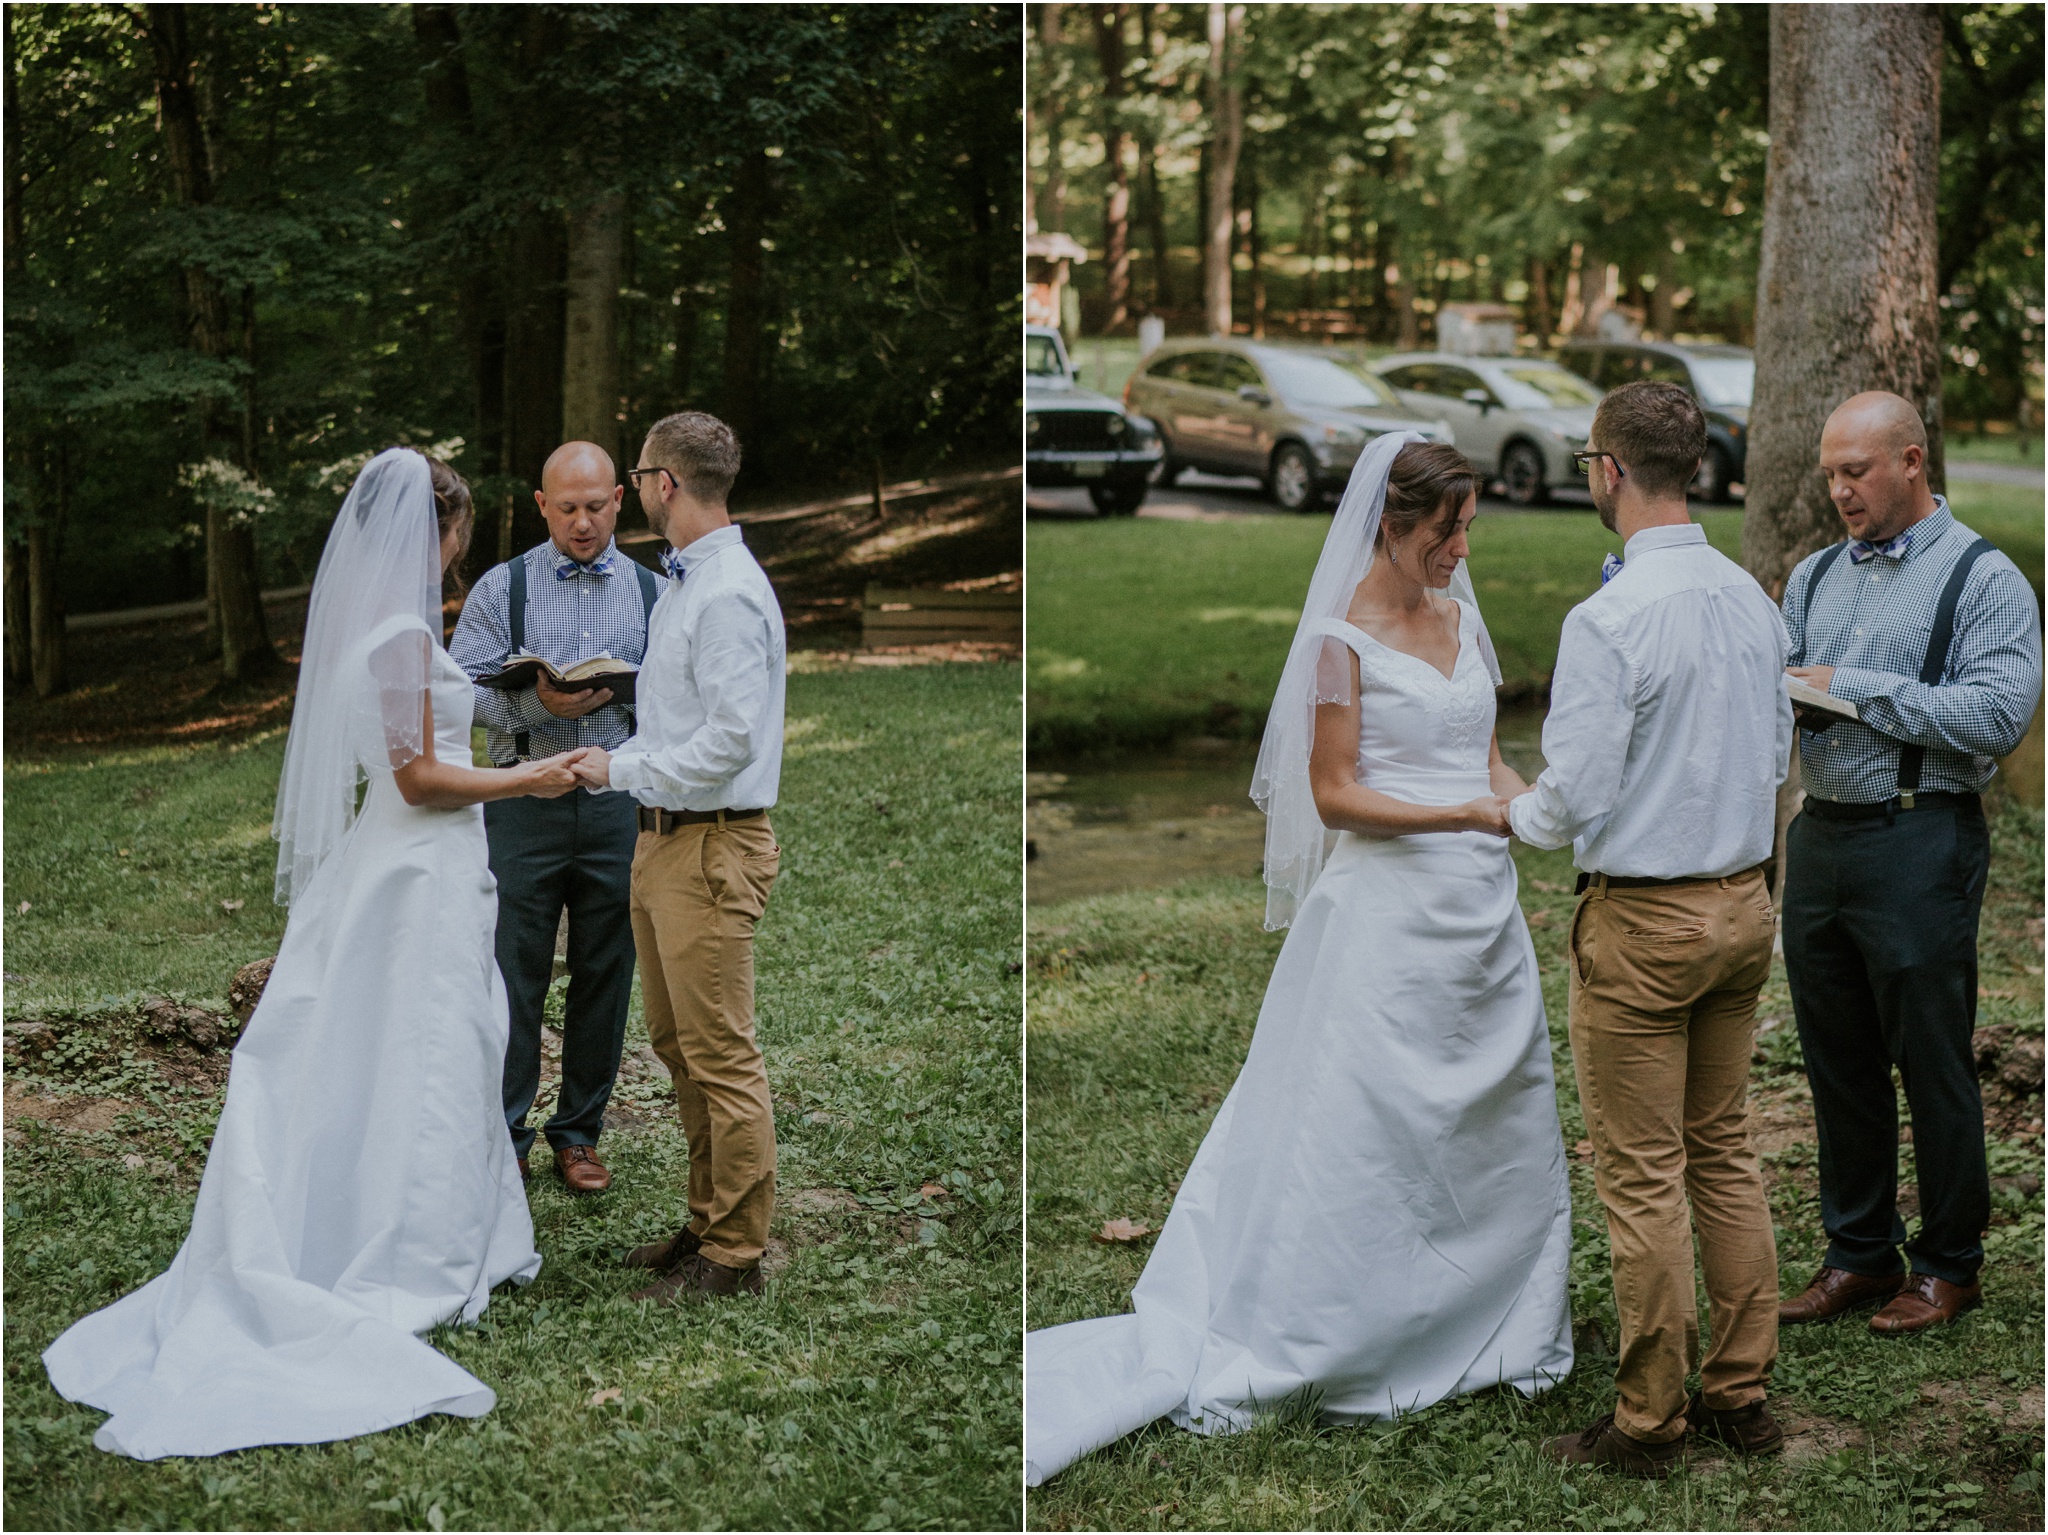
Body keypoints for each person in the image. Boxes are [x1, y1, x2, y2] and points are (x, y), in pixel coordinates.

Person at [1024, 434, 1574, 1488]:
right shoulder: (1337, 640)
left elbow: (1488, 748)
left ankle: (1493, 1320)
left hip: (1479, 916)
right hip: (1384, 915)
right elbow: (1333, 793)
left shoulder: (1463, 617)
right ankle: (1343, 1328)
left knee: (1484, 1121)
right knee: (1363, 1127)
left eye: (1466, 526)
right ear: (1388, 524)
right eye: (1442, 529)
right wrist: (1464, 810)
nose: (1460, 546)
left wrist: (1520, 796)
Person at [42, 449, 581, 1458]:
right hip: (411, 872)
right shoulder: (399, 633)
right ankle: (402, 1253)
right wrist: (533, 779)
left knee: (429, 1047)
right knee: (416, 1053)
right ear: (444, 531)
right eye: (457, 531)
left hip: (415, 866)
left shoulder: (394, 629)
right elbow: (420, 777)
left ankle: (457, 1233)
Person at [1508, 380, 1792, 1477]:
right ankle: (1740, 1387)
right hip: (1742, 905)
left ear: (1609, 471)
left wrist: (1508, 807)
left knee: (1639, 1171)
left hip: (1644, 922)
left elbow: (1568, 794)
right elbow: (1773, 764)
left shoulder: (1609, 617)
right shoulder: (1749, 599)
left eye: (1587, 460)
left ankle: (1646, 1417)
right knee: (1720, 1148)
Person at [1775, 392, 2041, 1335]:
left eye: (1858, 471)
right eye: (1831, 474)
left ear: (1913, 462)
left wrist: (1859, 690)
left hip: (1921, 832)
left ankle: (1950, 1263)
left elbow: (1998, 714)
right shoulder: (1811, 577)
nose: (1840, 490)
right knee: (1836, 1055)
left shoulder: (1984, 578)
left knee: (1931, 1056)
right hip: (1824, 837)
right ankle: (1857, 1253)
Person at [568, 411, 788, 1302]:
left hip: (710, 844)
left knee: (720, 1052)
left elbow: (733, 739)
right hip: (662, 841)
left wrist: (618, 765)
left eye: (638, 475)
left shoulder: (727, 590)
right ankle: (705, 1219)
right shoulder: (688, 584)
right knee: (677, 1044)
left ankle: (735, 1253)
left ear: (664, 482)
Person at [450, 441, 660, 1194]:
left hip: (617, 804)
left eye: (596, 506)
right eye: (567, 508)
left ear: (619, 501)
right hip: (521, 801)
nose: (582, 521)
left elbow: (678, 694)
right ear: (542, 506)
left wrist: (624, 696)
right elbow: (461, 690)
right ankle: (505, 1130)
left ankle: (578, 1134)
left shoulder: (652, 589)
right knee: (513, 969)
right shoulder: (500, 589)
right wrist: (540, 702)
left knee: (608, 966)